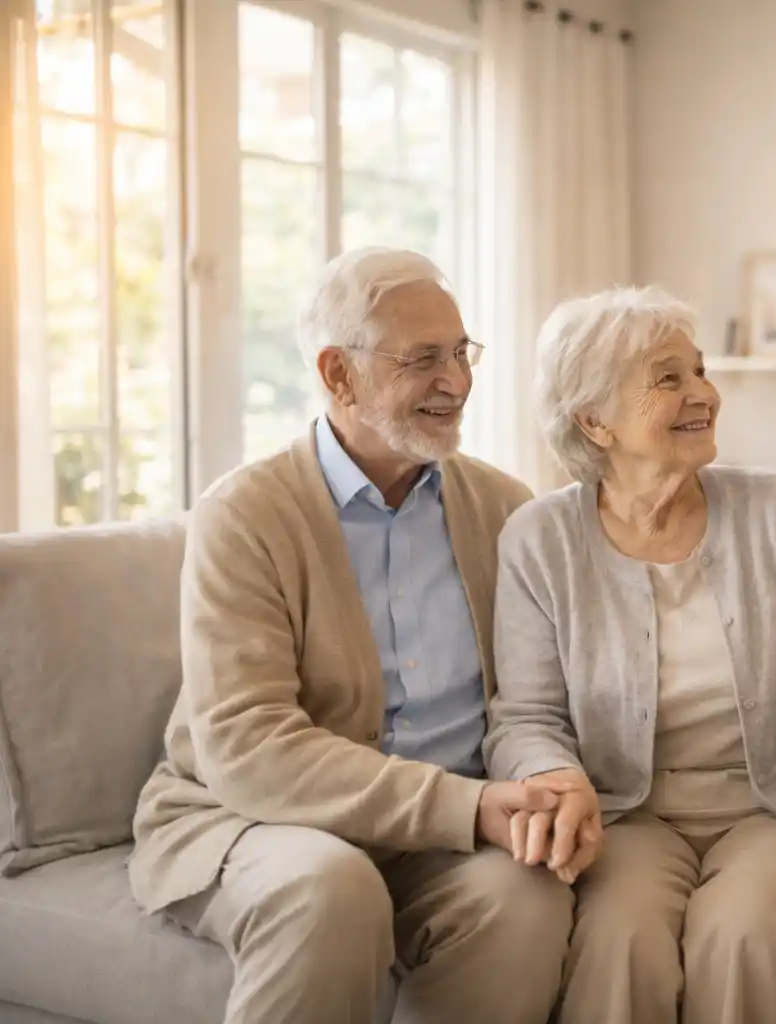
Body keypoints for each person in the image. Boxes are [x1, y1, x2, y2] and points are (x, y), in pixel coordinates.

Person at [128, 247, 579, 1024]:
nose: (457, 382)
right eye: (424, 359)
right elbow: (247, 743)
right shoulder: (246, 515)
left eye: (461, 353)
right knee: (330, 889)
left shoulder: (504, 507)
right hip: (257, 816)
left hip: (441, 827)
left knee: (527, 895)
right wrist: (465, 806)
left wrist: (546, 784)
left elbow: (541, 695)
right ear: (338, 374)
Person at [486, 285, 776, 1024]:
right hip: (627, 816)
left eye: (700, 371)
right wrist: (553, 774)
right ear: (594, 421)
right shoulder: (538, 539)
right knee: (617, 941)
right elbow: (526, 718)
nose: (704, 393)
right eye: (669, 378)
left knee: (744, 937)